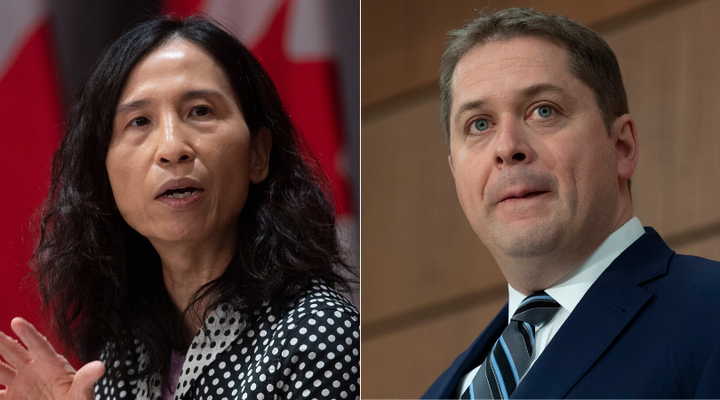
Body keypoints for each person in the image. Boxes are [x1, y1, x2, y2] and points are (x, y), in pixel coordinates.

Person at [0, 16, 359, 400]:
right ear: (104, 175)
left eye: (200, 111)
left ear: (258, 153)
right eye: (139, 121)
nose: (172, 148)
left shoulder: (321, 335)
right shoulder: (117, 365)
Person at [422, 7, 720, 399]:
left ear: (622, 146)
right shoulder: (443, 390)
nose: (507, 147)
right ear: (455, 172)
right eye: (479, 124)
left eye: (543, 110)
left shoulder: (710, 314)